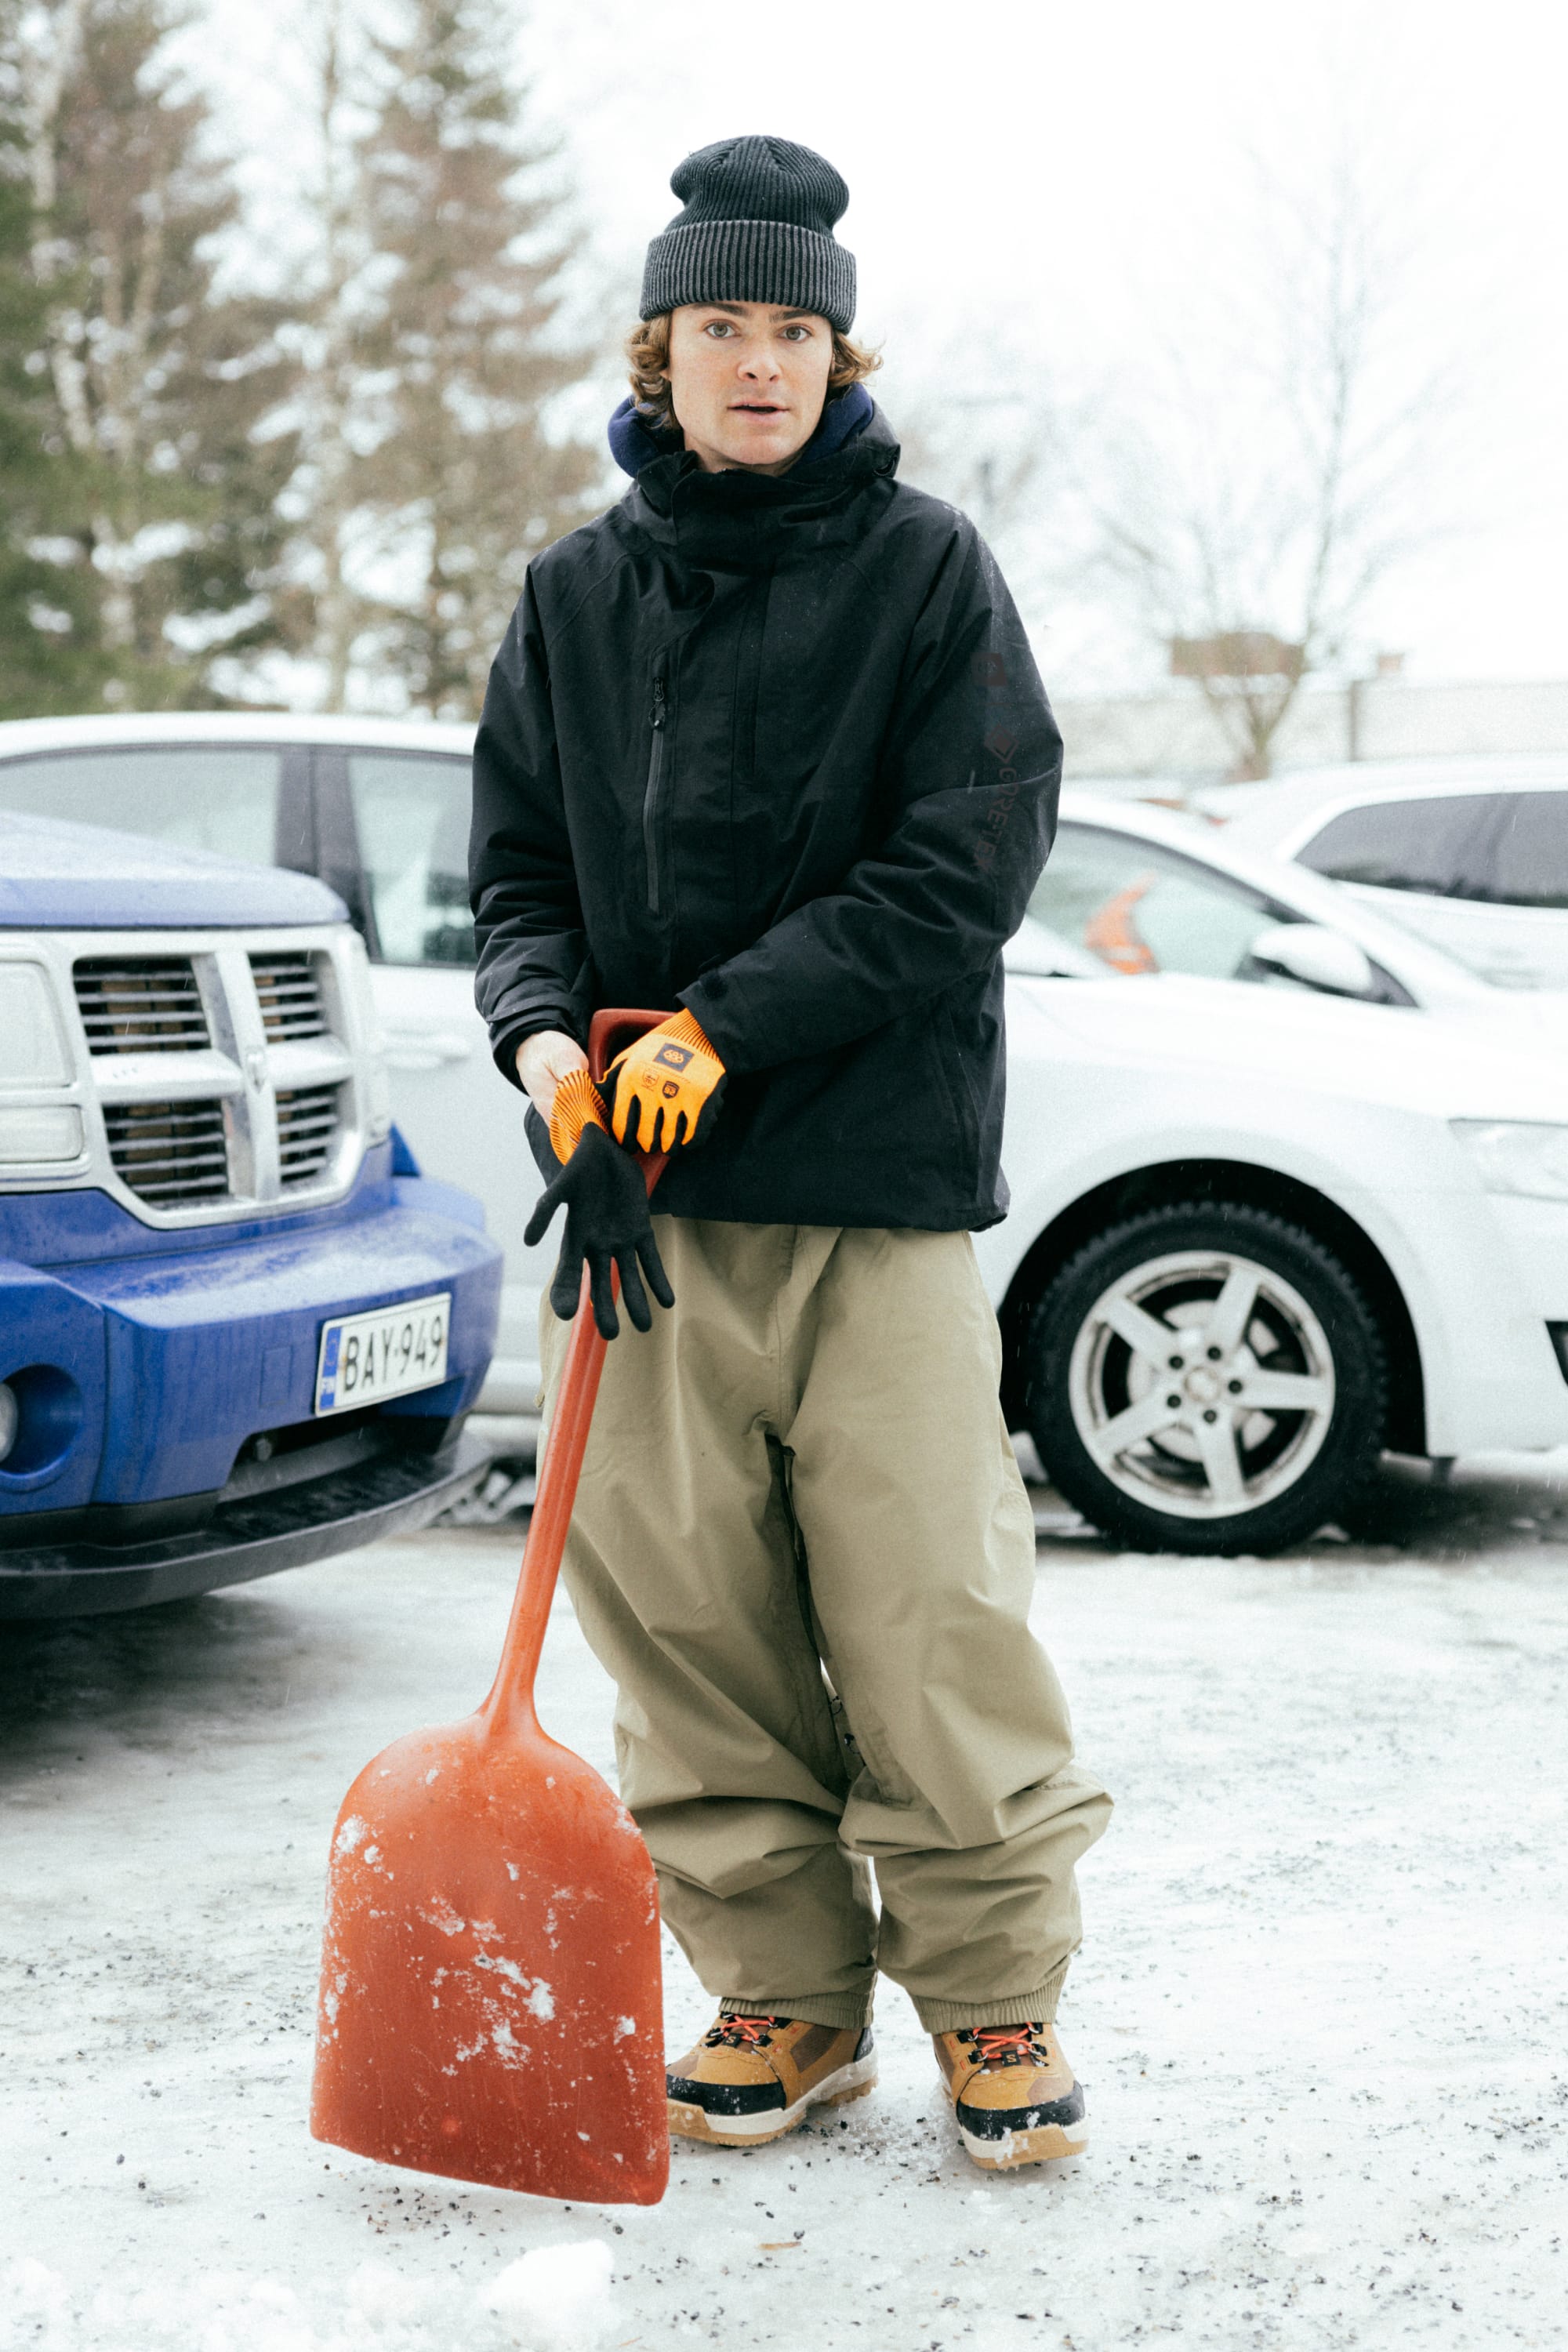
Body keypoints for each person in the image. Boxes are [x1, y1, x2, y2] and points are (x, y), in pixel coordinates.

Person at [469, 133, 1111, 2174]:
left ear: (844, 355)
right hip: (644, 1220)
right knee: (691, 1626)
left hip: (878, 1185)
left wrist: (728, 1026)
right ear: (660, 354)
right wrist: (551, 1047)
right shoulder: (572, 599)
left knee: (929, 1611)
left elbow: (965, 865)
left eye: (798, 330)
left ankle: (993, 2005)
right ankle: (784, 1997)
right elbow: (512, 884)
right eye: (724, 327)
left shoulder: (928, 573)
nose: (763, 363)